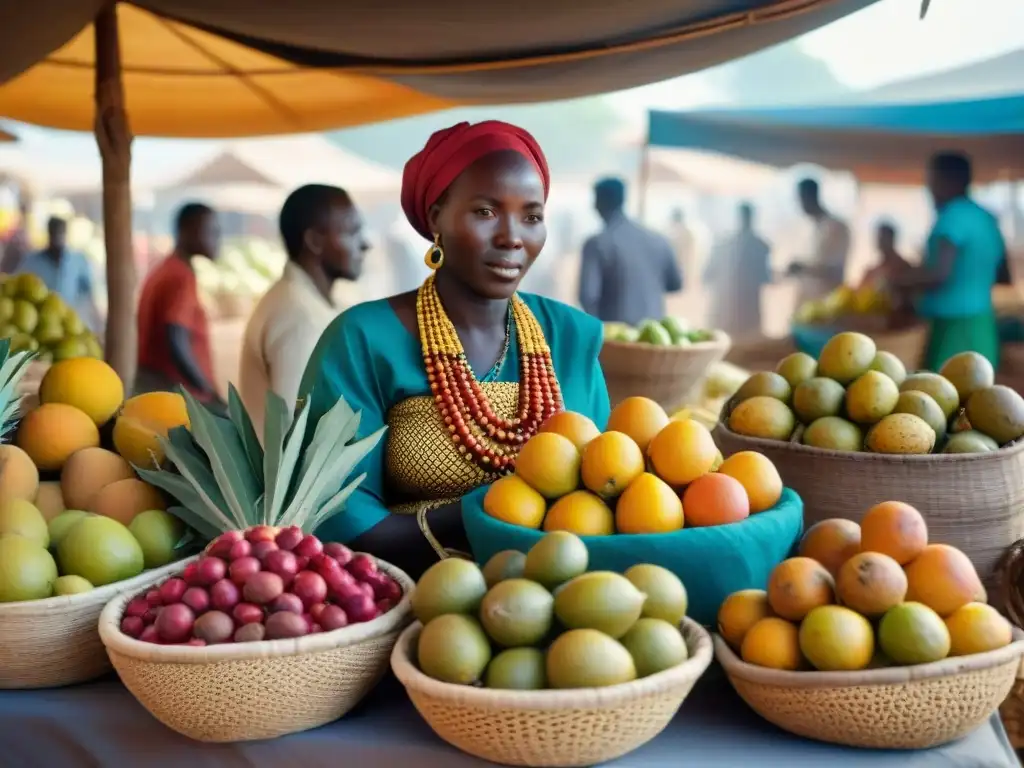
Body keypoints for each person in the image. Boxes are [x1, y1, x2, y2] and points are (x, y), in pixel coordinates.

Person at [299, 120, 610, 579]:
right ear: (436, 217)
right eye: (485, 212)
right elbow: (339, 515)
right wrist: (493, 513)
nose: (512, 237)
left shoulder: (569, 336)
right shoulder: (362, 338)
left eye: (532, 216)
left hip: (566, 597)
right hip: (407, 598)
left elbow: (607, 483)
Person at [239, 185, 369, 439]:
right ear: (315, 241)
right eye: (352, 232)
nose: (365, 244)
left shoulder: (311, 302)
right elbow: (297, 433)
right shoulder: (299, 316)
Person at [890, 152, 1006, 370]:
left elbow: (939, 274)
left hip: (952, 328)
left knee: (945, 397)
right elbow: (1002, 273)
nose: (929, 189)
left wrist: (898, 281)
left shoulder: (952, 217)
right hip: (980, 323)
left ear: (948, 181)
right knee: (976, 398)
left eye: (932, 181)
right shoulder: (985, 217)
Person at [135, 203, 224, 408]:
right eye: (211, 231)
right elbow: (176, 338)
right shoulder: (179, 277)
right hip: (174, 394)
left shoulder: (169, 268)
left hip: (161, 387)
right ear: (186, 231)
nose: (217, 238)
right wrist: (208, 393)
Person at [578, 178, 682, 325]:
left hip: (615, 338)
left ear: (598, 203)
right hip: (654, 336)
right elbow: (675, 284)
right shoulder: (658, 239)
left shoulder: (597, 244)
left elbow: (588, 296)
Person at [16, 216, 101, 331]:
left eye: (61, 233)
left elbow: (89, 295)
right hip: (40, 325)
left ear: (66, 234)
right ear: (49, 233)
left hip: (70, 323)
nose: (57, 238)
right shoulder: (31, 262)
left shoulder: (78, 261)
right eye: (54, 234)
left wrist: (97, 323)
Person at [703, 203, 772, 340]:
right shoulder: (760, 245)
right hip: (745, 311)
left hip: (728, 310)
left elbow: (707, 275)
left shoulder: (724, 244)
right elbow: (766, 277)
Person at [788, 178, 851, 308]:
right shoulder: (812, 227)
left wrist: (803, 268)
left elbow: (834, 269)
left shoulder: (835, 227)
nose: (799, 204)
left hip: (828, 303)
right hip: (808, 304)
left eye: (801, 199)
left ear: (810, 196)